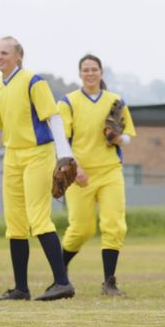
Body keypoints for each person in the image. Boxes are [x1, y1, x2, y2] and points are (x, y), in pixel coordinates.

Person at [0, 36, 76, 301]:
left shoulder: (33, 81)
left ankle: (62, 283)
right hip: (12, 157)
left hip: (37, 154)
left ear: (18, 56)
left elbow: (53, 118)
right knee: (15, 223)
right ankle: (21, 289)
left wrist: (64, 156)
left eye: (5, 52)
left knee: (38, 217)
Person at [56, 54, 136, 296]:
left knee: (114, 224)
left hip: (110, 170)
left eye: (94, 69)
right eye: (86, 70)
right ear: (80, 74)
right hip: (80, 173)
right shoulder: (68, 102)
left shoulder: (116, 101)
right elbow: (63, 140)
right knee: (81, 228)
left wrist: (117, 137)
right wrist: (74, 168)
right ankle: (60, 274)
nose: (90, 73)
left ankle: (109, 282)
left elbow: (129, 136)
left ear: (102, 73)